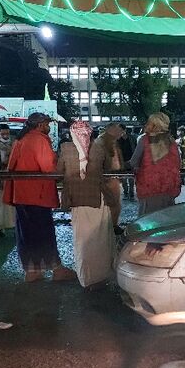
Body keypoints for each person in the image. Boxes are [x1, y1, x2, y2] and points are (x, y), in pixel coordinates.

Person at [4, 113, 75, 283]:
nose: (48, 127)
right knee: (44, 232)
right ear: (41, 125)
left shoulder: (21, 140)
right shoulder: (39, 140)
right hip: (37, 194)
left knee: (26, 233)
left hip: (21, 194)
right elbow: (48, 167)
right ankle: (56, 268)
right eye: (47, 124)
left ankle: (32, 270)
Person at [57, 121, 114, 289]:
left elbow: (59, 170)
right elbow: (108, 168)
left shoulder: (66, 148)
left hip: (78, 200)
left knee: (82, 240)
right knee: (100, 238)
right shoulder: (98, 148)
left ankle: (86, 278)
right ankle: (102, 275)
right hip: (98, 199)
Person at [130, 112, 181, 216]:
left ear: (154, 125)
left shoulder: (144, 140)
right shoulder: (171, 141)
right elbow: (177, 162)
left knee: (147, 220)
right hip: (169, 187)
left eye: (149, 122)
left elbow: (134, 161)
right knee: (167, 220)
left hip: (148, 187)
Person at [92, 123, 125, 234]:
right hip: (108, 178)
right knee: (112, 203)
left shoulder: (110, 141)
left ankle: (112, 225)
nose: (121, 134)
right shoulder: (101, 142)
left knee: (115, 203)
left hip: (113, 176)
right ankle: (111, 226)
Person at [0, 124, 16, 238]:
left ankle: (11, 225)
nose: (6, 136)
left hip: (11, 177)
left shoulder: (15, 144)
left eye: (7, 133)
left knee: (11, 203)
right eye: (3, 134)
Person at [117, 125, 136, 200]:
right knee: (123, 178)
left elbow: (135, 148)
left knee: (131, 178)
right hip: (121, 161)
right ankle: (125, 192)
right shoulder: (117, 139)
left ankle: (131, 193)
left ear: (124, 130)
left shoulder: (132, 138)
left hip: (131, 160)